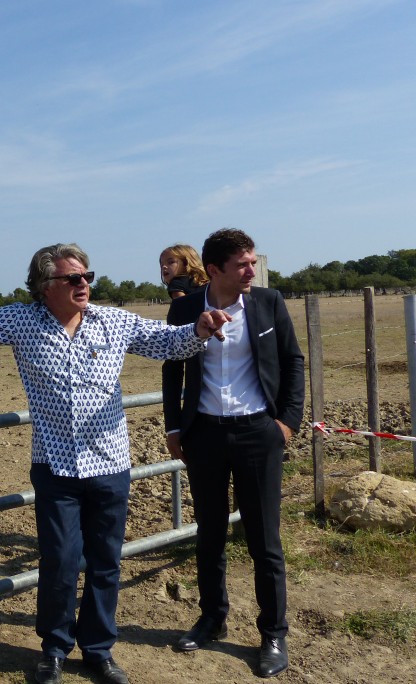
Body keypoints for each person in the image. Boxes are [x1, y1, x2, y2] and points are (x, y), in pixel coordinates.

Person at [0, 242, 230, 684]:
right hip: (55, 465)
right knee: (61, 561)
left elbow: (166, 342)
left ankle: (98, 650)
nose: (84, 285)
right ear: (45, 285)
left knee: (106, 562)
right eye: (73, 278)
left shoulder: (111, 321)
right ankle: (53, 649)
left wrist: (200, 330)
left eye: (88, 277)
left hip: (110, 462)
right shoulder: (21, 320)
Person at [162, 228, 305, 678]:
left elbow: (292, 360)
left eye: (252, 262)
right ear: (215, 269)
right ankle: (212, 617)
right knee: (209, 535)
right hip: (203, 435)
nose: (251, 270)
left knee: (265, 540)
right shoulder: (185, 307)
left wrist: (286, 422)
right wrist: (173, 425)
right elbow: (172, 366)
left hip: (257, 433)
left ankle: (273, 633)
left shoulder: (268, 302)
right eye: (242, 264)